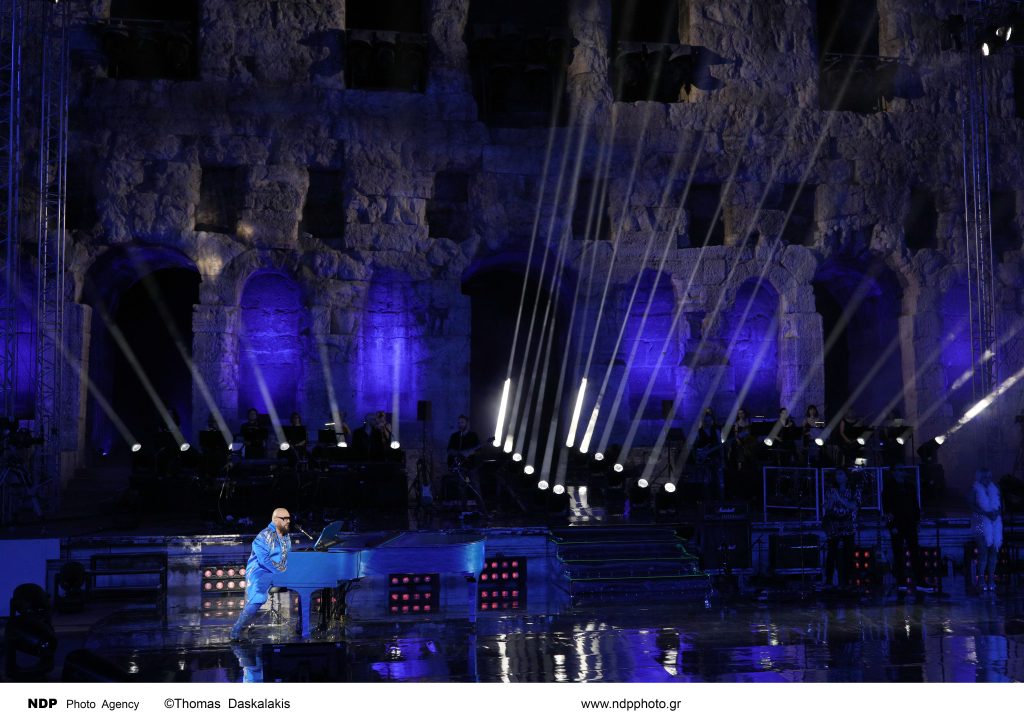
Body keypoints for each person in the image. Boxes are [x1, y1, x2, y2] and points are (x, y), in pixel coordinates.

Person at [230, 508, 291, 640]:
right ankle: (237, 628)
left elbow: (287, 557)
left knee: (302, 584)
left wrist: (288, 571)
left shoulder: (286, 537)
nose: (288, 521)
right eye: (284, 518)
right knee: (259, 596)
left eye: (289, 518)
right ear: (275, 520)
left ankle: (301, 626)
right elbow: (264, 560)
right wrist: (281, 572)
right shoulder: (264, 536)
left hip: (278, 570)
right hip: (260, 570)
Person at [883, 467, 931, 594]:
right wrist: (891, 525)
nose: (901, 473)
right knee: (898, 553)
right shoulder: (889, 488)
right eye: (898, 470)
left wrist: (917, 521)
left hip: (910, 523)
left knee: (915, 552)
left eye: (902, 470)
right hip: (897, 524)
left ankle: (920, 581)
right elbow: (886, 509)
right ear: (893, 472)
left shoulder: (909, 486)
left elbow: (915, 504)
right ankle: (901, 581)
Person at [821, 468, 859, 588]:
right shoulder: (831, 490)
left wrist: (839, 499)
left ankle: (849, 582)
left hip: (848, 525)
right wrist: (832, 500)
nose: (838, 476)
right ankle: (829, 581)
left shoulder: (853, 490)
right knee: (831, 553)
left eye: (841, 474)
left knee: (849, 554)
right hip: (834, 526)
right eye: (836, 474)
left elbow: (854, 506)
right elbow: (827, 507)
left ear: (846, 477)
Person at [970, 468, 1003, 592]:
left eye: (989, 477)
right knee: (983, 552)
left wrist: (996, 513)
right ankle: (981, 579)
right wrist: (985, 513)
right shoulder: (974, 489)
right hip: (980, 523)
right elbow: (971, 505)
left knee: (994, 551)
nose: (987, 479)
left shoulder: (995, 489)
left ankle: (992, 579)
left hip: (995, 523)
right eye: (985, 477)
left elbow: (1001, 505)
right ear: (979, 478)